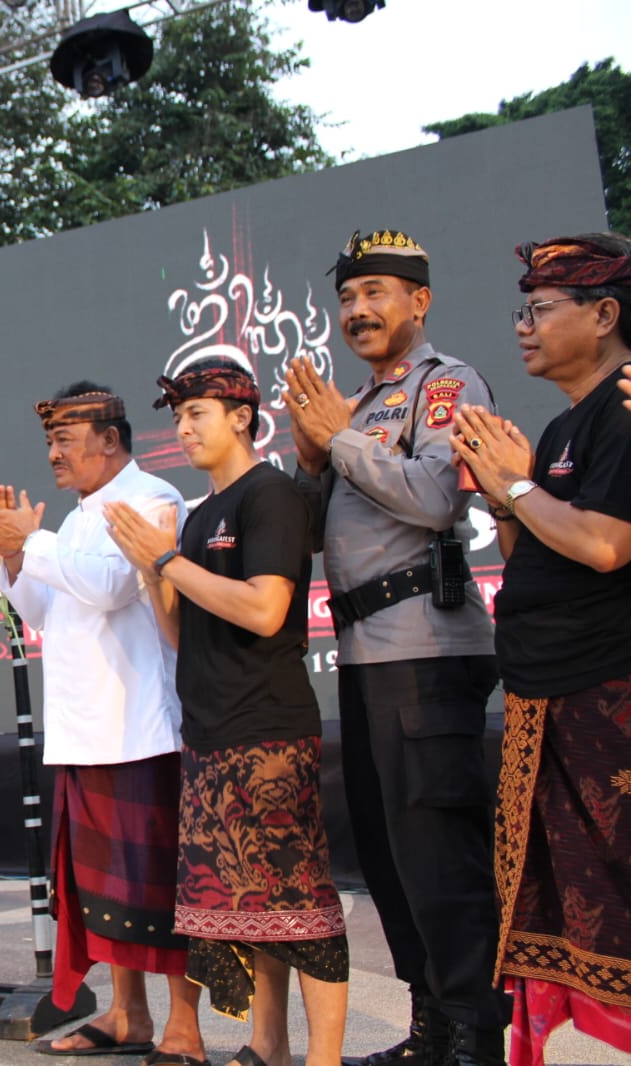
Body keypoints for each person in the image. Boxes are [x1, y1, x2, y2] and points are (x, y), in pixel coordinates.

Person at [283, 230, 507, 1066]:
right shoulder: (351, 407)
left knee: (438, 853)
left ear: (419, 301)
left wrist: (339, 439)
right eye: (346, 297)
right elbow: (312, 533)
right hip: (364, 653)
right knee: (386, 854)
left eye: (375, 293)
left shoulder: (444, 384)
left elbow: (433, 498)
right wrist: (311, 459)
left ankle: (475, 1037)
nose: (357, 311)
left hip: (426, 649)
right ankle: (431, 1029)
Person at [106, 361, 348, 1066]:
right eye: (176, 417)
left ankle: (324, 1058)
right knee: (248, 907)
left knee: (298, 904)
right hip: (209, 733)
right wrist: (156, 570)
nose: (182, 430)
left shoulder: (268, 495)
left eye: (197, 414)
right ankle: (266, 1047)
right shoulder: (202, 510)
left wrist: (168, 562)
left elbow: (266, 610)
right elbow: (185, 634)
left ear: (241, 416)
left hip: (267, 730)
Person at [0, 383, 205, 1064]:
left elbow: (109, 586)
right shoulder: (72, 519)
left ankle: (184, 1029)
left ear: (110, 439)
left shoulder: (153, 499)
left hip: (140, 730)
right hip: (82, 729)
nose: (53, 454)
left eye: (65, 439)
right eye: (48, 441)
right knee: (105, 895)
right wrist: (12, 556)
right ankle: (128, 1017)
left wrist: (28, 538)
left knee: (160, 890)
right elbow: (43, 612)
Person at [451, 233, 631, 1066]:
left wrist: (517, 484)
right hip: (543, 695)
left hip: (606, 698)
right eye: (519, 310)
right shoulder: (562, 423)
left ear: (603, 315)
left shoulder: (624, 409)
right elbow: (541, 557)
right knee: (565, 903)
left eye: (537, 309)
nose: (520, 326)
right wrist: (509, 496)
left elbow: (600, 547)